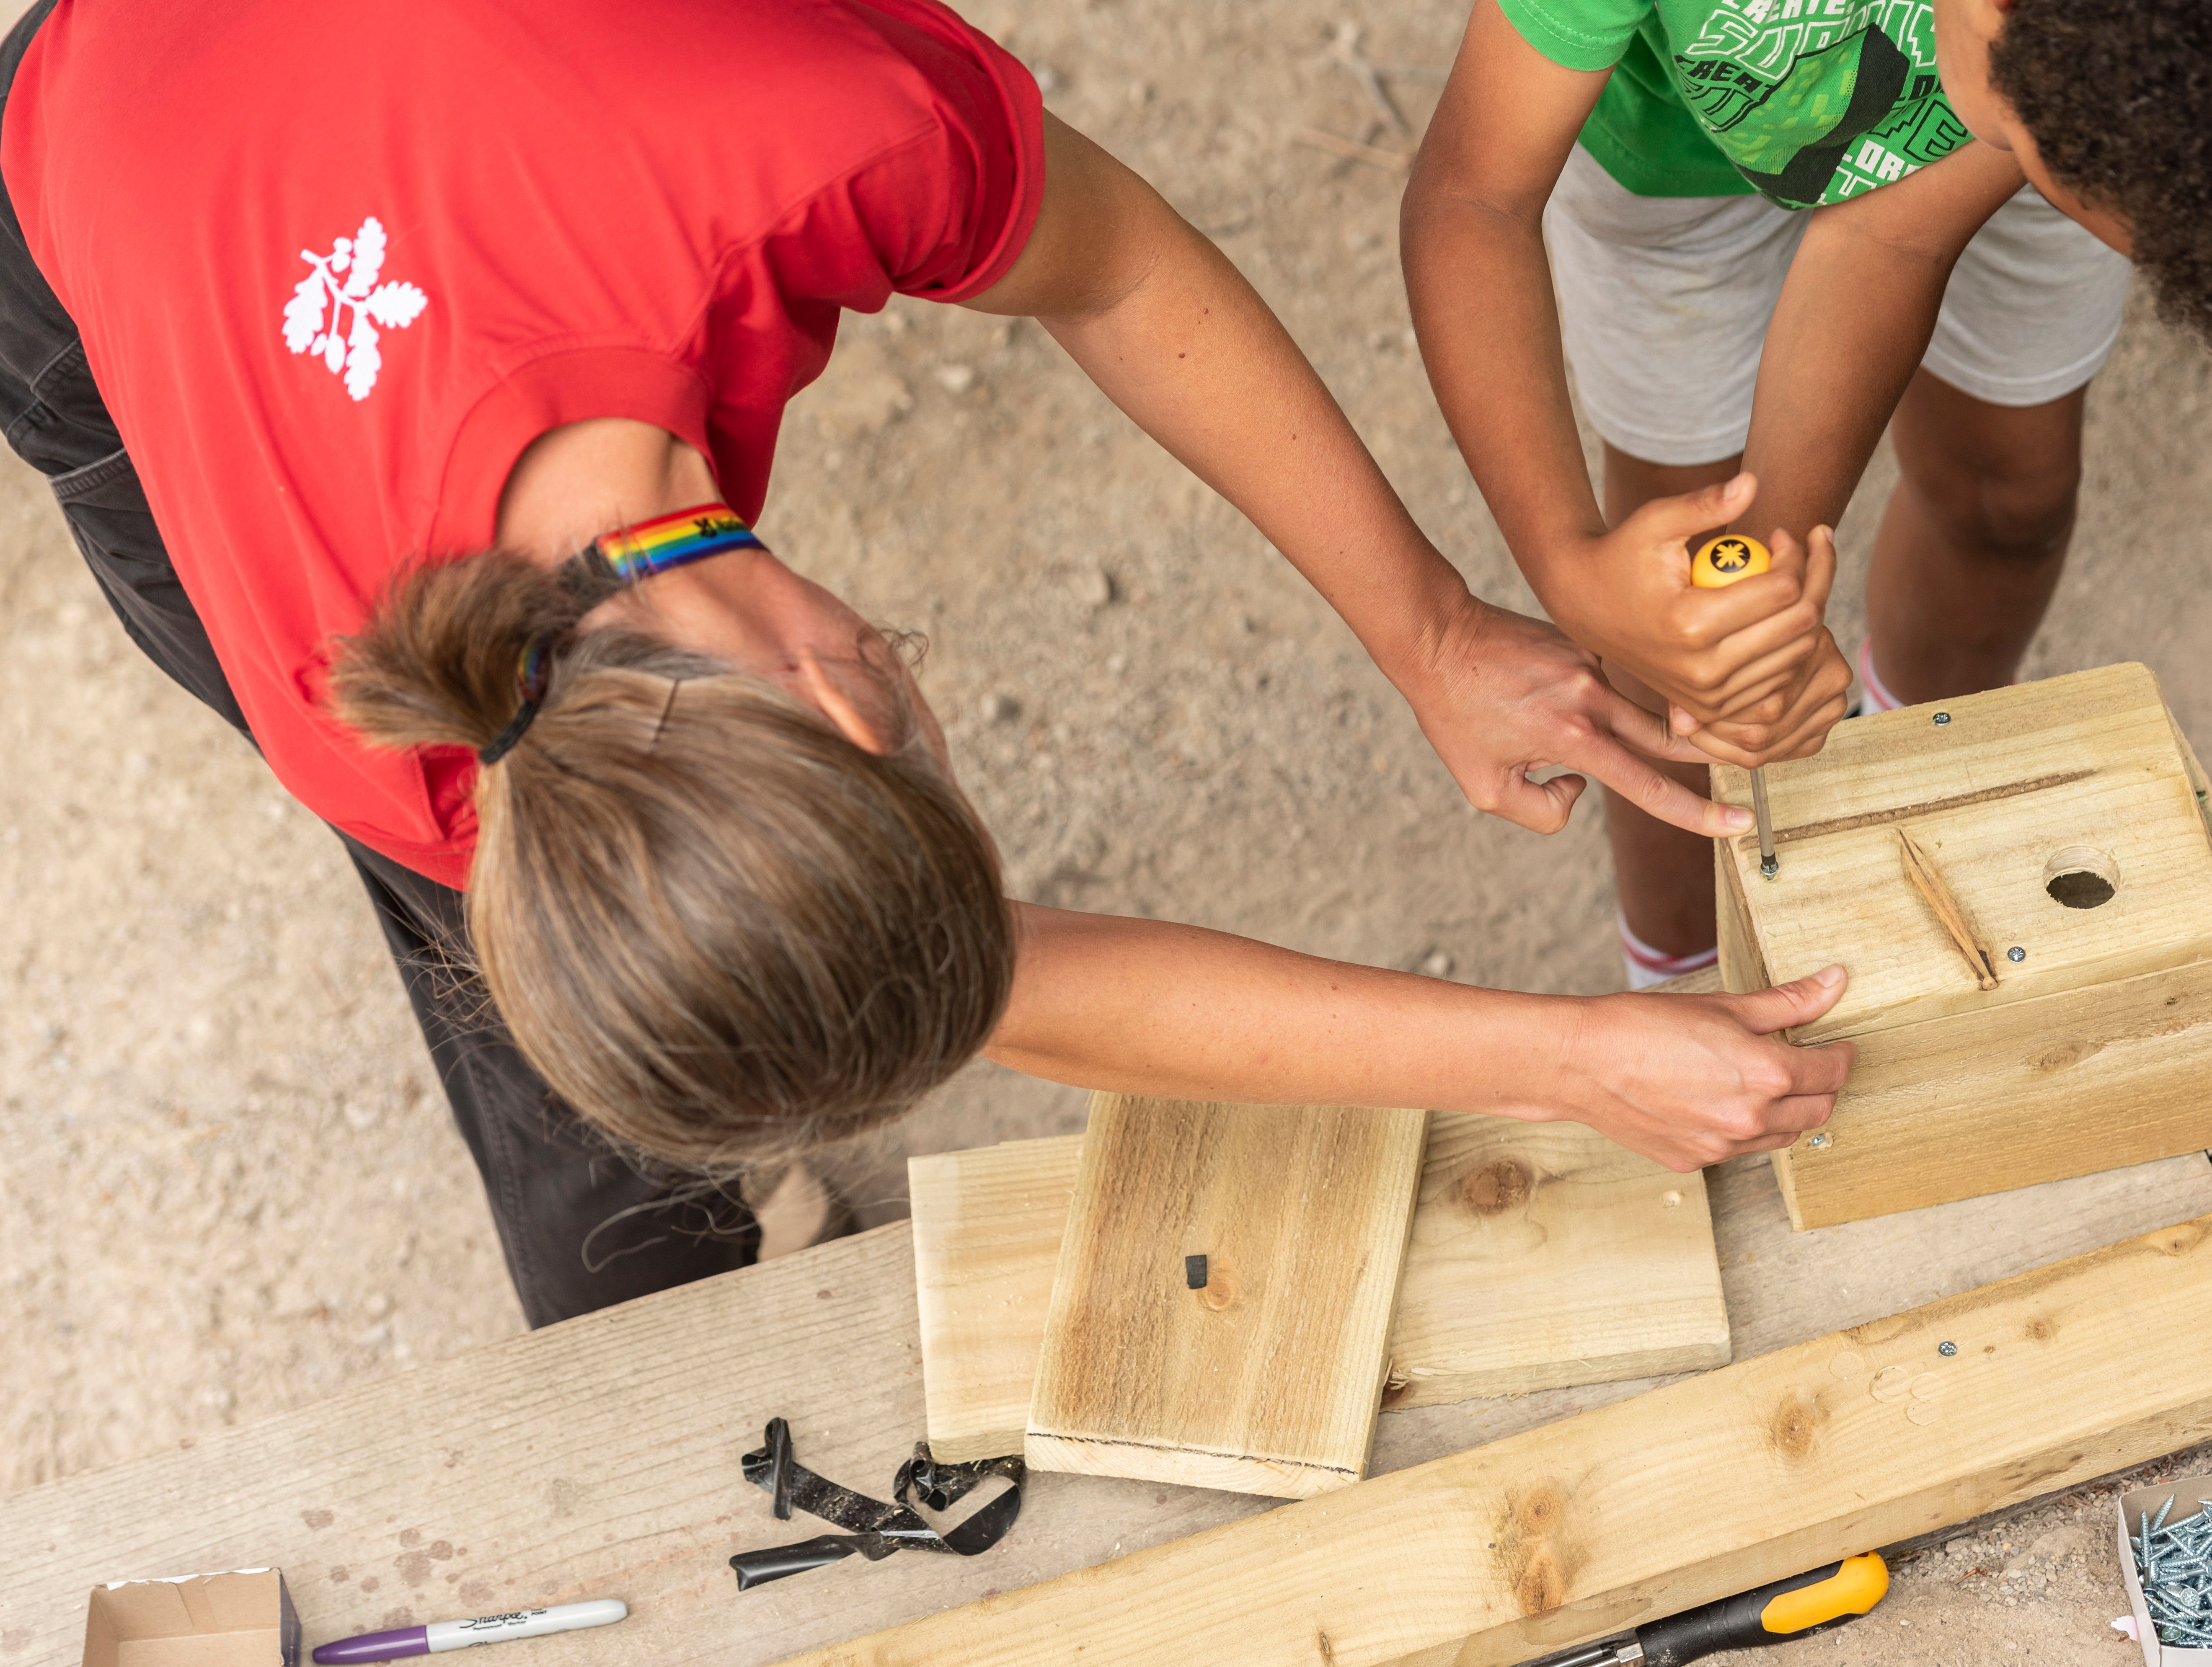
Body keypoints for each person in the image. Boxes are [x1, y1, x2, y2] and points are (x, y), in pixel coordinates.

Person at [0, 0, 1859, 1327]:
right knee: (624, 995)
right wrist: (1559, 1057)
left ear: (848, 694)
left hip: (373, 85)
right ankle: (662, 1290)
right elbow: (956, 980)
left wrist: (1435, 631)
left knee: (695, 969)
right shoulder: (393, 739)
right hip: (96, 205)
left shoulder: (798, 132)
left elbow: (1118, 268)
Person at [1401, 0, 2212, 987]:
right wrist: (1578, 573)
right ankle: (1684, 970)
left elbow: (1893, 226)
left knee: (2003, 499)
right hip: (1681, 156)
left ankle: (1899, 783)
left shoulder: (2101, 62)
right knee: (1668, 613)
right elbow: (1473, 192)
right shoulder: (2044, 74)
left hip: (2069, 86)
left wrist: (1765, 593)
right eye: (2037, 162)